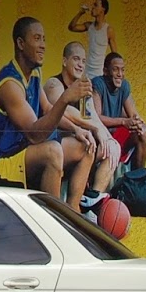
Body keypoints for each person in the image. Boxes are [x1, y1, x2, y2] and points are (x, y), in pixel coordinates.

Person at [0, 17, 94, 204]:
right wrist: (66, 98)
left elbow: (48, 108)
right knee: (53, 151)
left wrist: (77, 130)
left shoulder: (34, 73)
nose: (43, 45)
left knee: (85, 146)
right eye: (37, 39)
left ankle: (73, 209)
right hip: (4, 163)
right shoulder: (10, 84)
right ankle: (54, 219)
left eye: (43, 39)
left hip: (26, 151)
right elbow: (35, 134)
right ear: (20, 43)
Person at [44, 41, 119, 204]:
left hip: (78, 145)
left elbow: (90, 116)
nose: (80, 65)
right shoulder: (54, 84)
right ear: (65, 61)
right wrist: (94, 128)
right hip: (52, 146)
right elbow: (64, 110)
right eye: (76, 59)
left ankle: (93, 198)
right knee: (87, 146)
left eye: (83, 61)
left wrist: (106, 137)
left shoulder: (84, 89)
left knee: (113, 147)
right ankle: (73, 205)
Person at [95, 51, 146, 170]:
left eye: (122, 70)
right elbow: (97, 118)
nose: (120, 74)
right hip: (100, 137)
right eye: (115, 69)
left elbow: (133, 115)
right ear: (105, 71)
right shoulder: (98, 84)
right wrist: (124, 122)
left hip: (116, 137)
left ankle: (137, 180)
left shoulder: (124, 86)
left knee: (142, 133)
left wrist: (139, 124)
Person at [68, 0, 116, 79]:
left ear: (102, 9)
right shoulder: (89, 26)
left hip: (100, 73)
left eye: (96, 5)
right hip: (87, 72)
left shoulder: (108, 30)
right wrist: (80, 13)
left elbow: (115, 55)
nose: (92, 7)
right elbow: (72, 27)